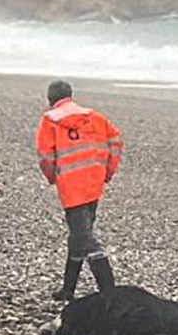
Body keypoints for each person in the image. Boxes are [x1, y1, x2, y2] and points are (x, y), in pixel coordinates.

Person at [34, 79, 124, 300]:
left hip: (71, 187)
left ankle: (109, 291)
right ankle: (68, 289)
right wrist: (107, 172)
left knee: (84, 238)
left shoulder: (50, 120)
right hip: (93, 183)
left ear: (50, 99)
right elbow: (116, 143)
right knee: (78, 236)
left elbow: (45, 156)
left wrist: (52, 177)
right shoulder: (95, 117)